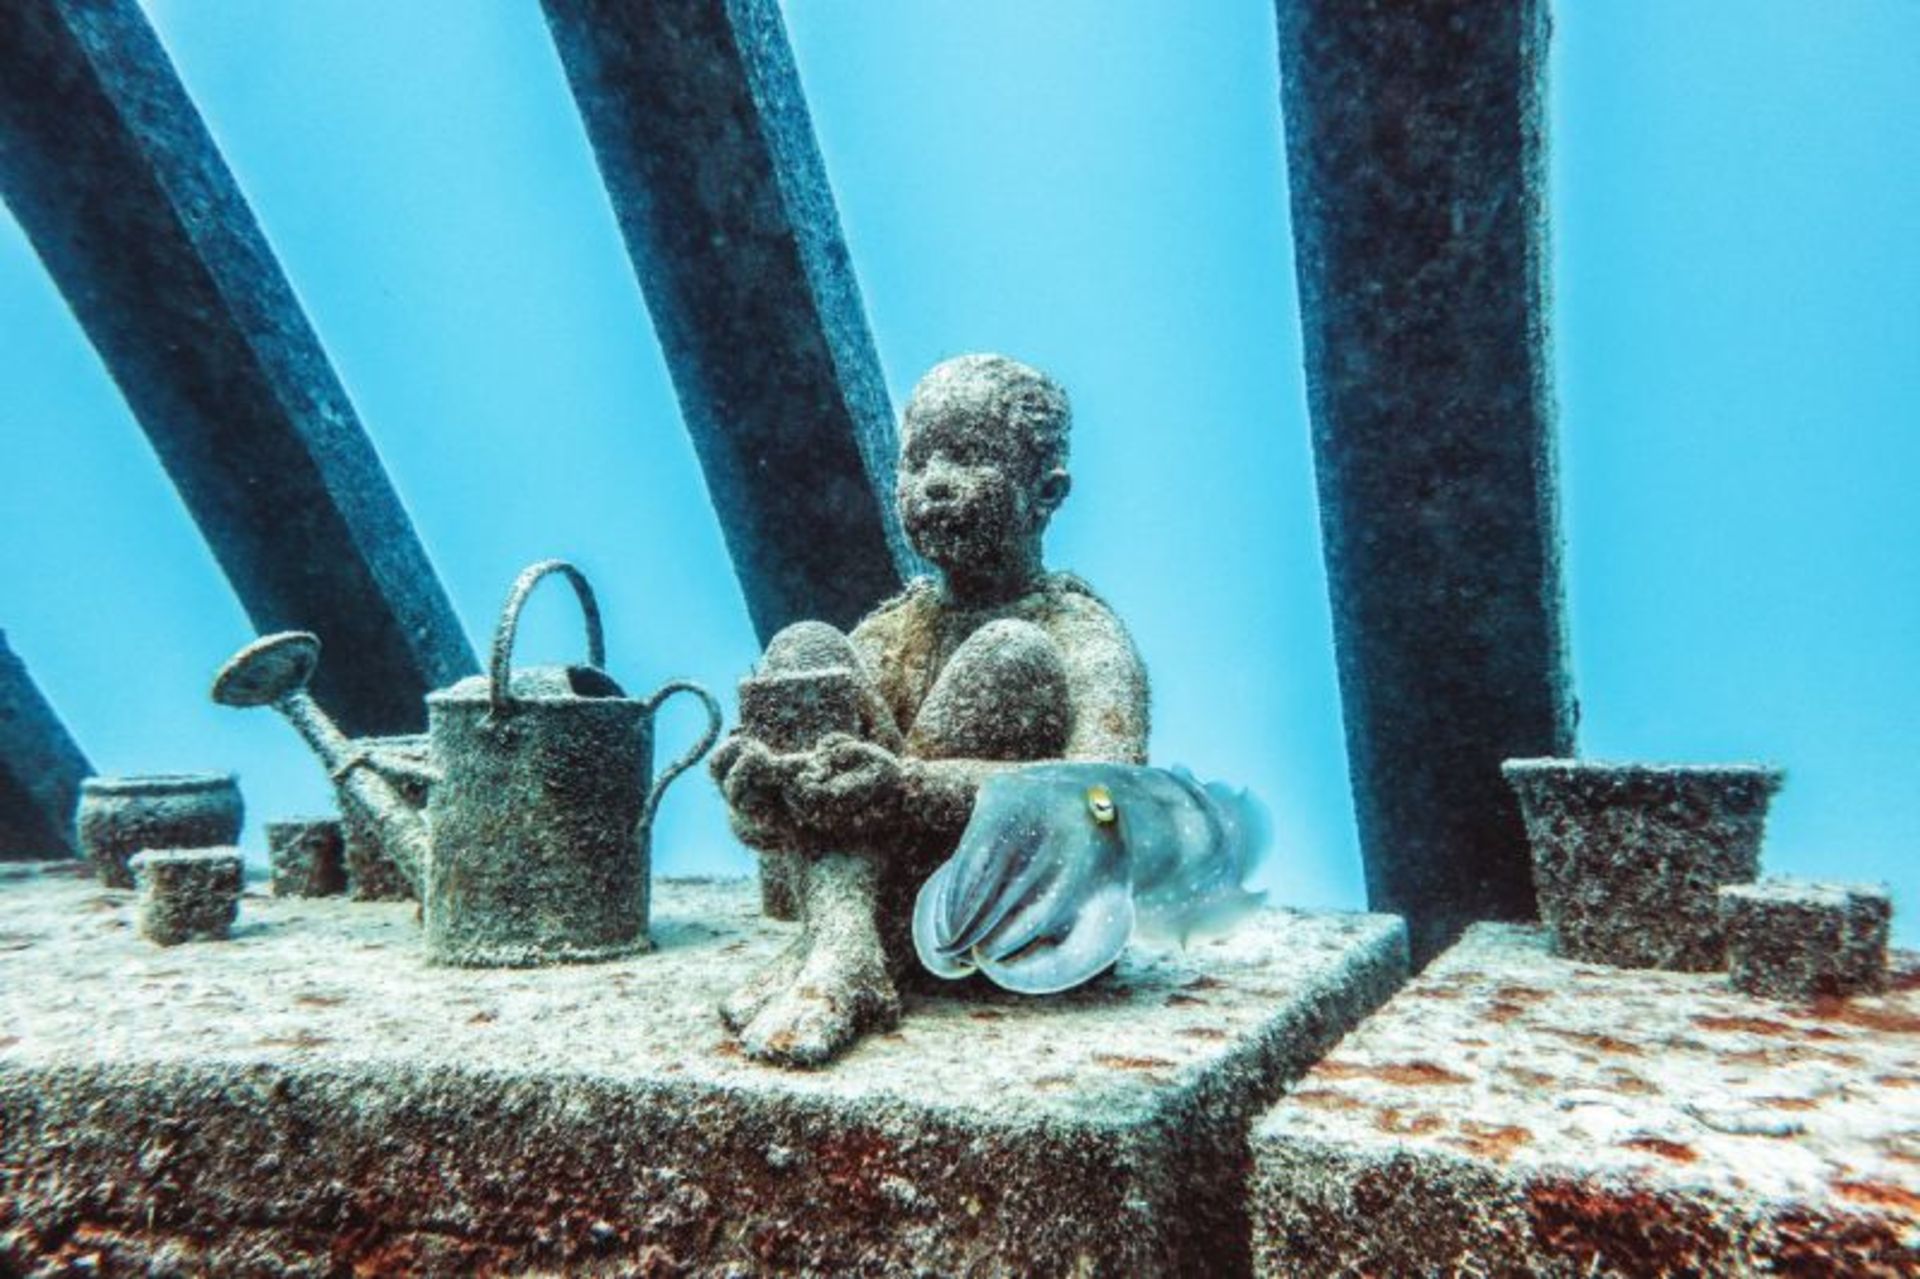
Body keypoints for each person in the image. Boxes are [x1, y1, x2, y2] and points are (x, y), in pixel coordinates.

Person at [710, 354, 1149, 1066]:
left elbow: (1106, 794)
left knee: (1010, 653)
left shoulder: (1082, 635)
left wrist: (906, 789)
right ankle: (845, 944)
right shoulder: (892, 630)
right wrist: (763, 790)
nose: (934, 483)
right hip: (879, 900)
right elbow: (792, 817)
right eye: (917, 463)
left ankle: (853, 951)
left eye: (969, 458)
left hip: (1010, 921)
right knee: (805, 649)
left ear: (1046, 492)